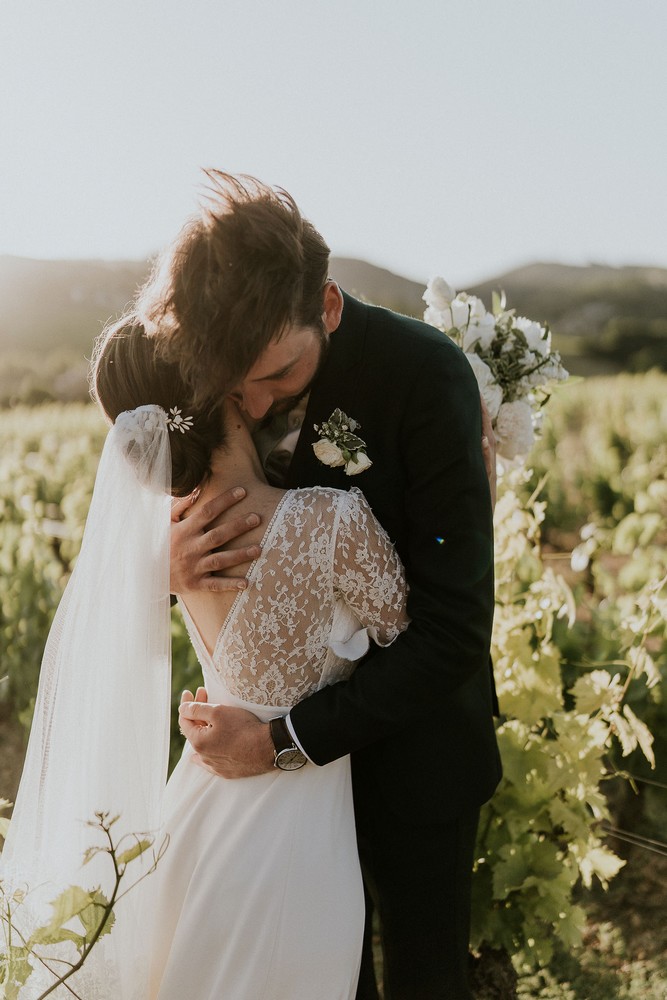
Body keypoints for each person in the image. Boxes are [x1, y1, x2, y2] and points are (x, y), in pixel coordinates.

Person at [139, 171, 503, 999]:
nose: (255, 401)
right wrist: (162, 571)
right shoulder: (213, 367)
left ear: (328, 306)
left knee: (421, 979)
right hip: (270, 797)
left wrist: (280, 742)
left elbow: (451, 627)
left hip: (409, 753)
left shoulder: (426, 375)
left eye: (278, 372)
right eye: (235, 383)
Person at [92, 319, 408, 999]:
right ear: (225, 391)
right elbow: (416, 639)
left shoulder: (167, 545)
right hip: (297, 838)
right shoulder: (331, 522)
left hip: (199, 809)